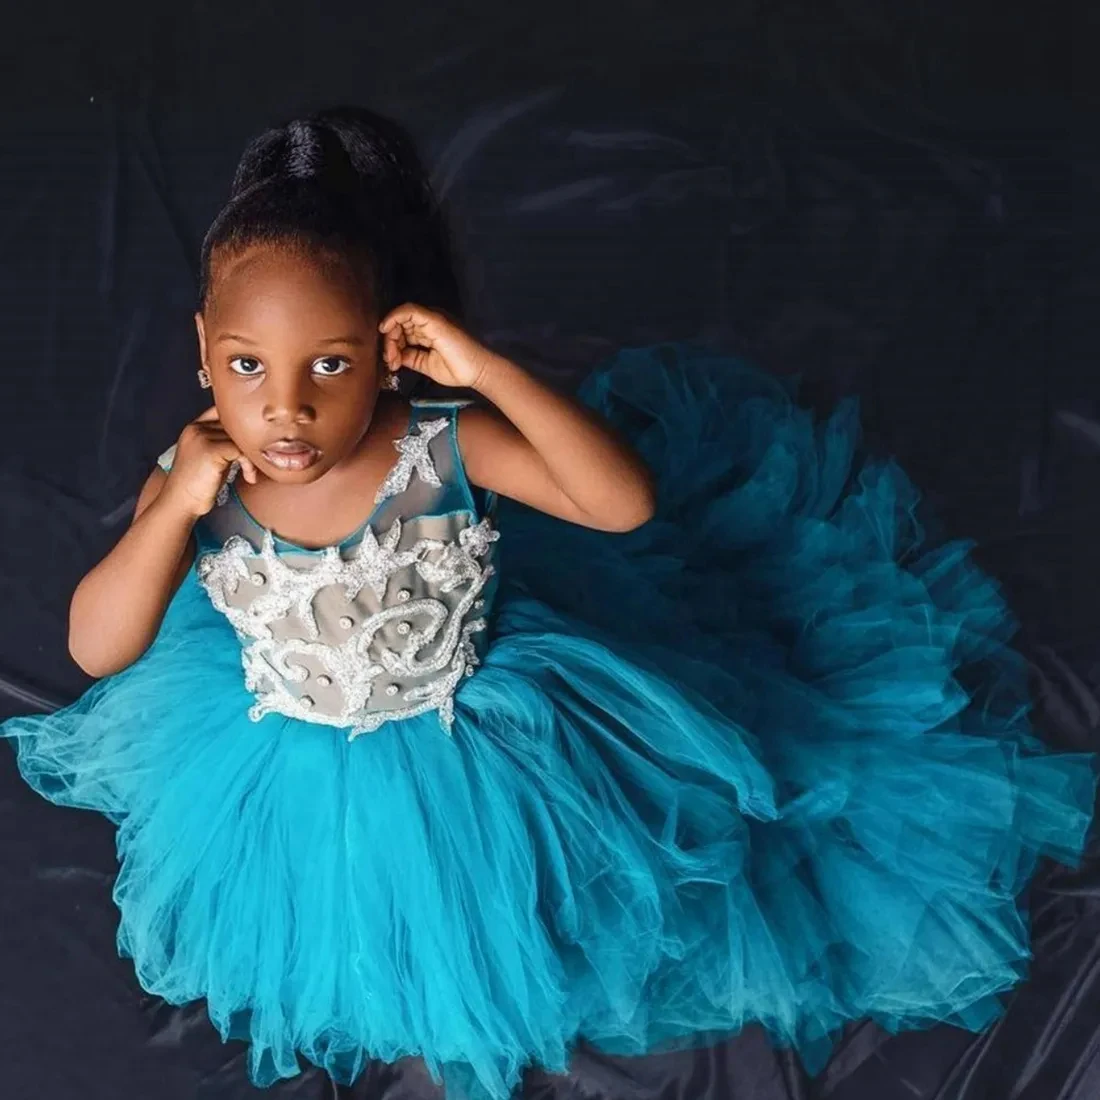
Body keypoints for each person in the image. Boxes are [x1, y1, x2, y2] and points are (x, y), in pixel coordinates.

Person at [1, 105, 1094, 1100]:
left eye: (328, 365)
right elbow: (98, 647)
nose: (283, 409)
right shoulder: (197, 480)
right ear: (202, 349)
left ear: (386, 351)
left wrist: (481, 370)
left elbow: (618, 504)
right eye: (246, 365)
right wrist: (168, 512)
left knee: (508, 894)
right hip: (279, 758)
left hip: (478, 740)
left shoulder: (434, 446)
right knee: (354, 912)